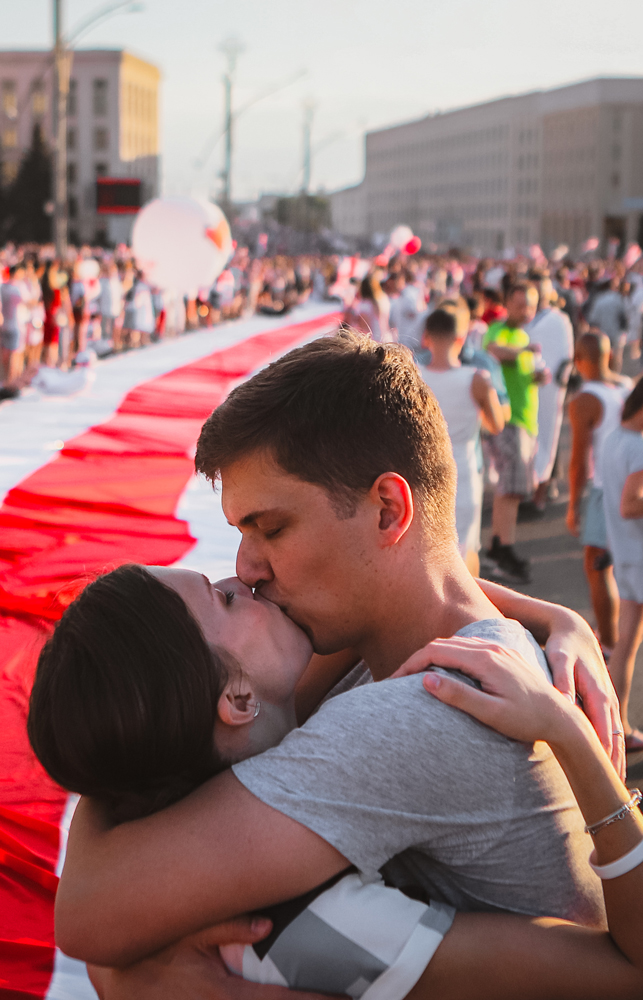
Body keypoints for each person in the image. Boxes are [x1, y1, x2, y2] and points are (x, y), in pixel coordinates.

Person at [56, 333, 623, 992]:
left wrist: (150, 984)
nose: (246, 568)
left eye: (272, 528)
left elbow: (92, 916)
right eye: (242, 533)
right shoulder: (390, 637)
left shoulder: (417, 713)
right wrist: (555, 615)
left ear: (388, 510)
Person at [29, 565, 643, 1000]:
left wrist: (554, 618)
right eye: (224, 599)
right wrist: (569, 733)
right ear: (237, 701)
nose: (245, 576)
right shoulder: (305, 926)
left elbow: (402, 582)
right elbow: (623, 976)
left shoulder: (195, 776)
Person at [419, 306, 504, 574]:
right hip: (462, 471)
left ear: (426, 338)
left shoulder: (414, 376)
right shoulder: (477, 379)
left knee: (428, 552)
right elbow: (497, 424)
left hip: (421, 469)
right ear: (460, 338)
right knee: (466, 551)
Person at [566, 332, 632, 658]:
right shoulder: (628, 387)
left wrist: (573, 506)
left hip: (605, 488)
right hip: (632, 482)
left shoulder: (584, 400)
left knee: (597, 565)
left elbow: (579, 461)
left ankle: (609, 643)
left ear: (579, 361)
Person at [482, 283, 549, 583]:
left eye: (531, 305)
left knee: (512, 489)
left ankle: (499, 546)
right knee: (511, 488)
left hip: (525, 420)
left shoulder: (522, 335)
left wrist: (537, 376)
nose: (526, 311)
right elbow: (494, 351)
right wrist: (524, 351)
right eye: (521, 304)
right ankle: (502, 549)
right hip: (509, 420)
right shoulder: (500, 330)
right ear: (507, 303)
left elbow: (520, 368)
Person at [601, 378, 643, 752]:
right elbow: (630, 505)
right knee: (627, 644)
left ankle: (617, 727)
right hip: (638, 554)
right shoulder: (638, 447)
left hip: (625, 553)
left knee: (626, 645)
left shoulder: (613, 439)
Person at [527, 278, 574, 511]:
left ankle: (541, 494)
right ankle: (525, 491)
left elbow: (567, 356)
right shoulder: (522, 318)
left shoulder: (559, 320)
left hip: (551, 389)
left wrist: (559, 382)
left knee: (548, 437)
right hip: (525, 387)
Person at [588, 276, 628, 373]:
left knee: (603, 360)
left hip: (602, 335)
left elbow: (593, 319)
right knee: (616, 359)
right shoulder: (620, 299)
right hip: (616, 334)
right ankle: (615, 376)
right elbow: (625, 317)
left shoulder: (599, 299)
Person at [0, 263, 29, 387]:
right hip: (15, 325)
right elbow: (28, 302)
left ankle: (5, 380)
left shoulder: (2, 287)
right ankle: (11, 383)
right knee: (14, 355)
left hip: (4, 325)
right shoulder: (17, 288)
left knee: (4, 355)